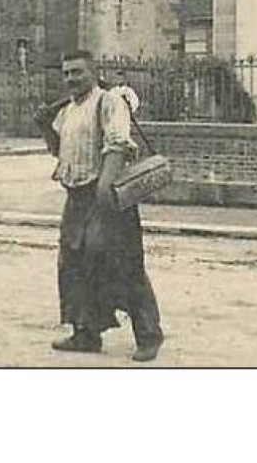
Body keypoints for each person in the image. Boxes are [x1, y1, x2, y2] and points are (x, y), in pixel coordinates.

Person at [33, 50, 164, 362]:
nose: (70, 79)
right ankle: (85, 333)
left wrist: (105, 192)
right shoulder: (67, 110)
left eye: (77, 72)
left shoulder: (109, 102)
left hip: (104, 195)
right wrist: (44, 126)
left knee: (124, 265)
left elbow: (118, 144)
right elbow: (61, 150)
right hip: (76, 196)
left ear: (92, 72)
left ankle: (148, 336)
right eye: (66, 74)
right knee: (74, 264)